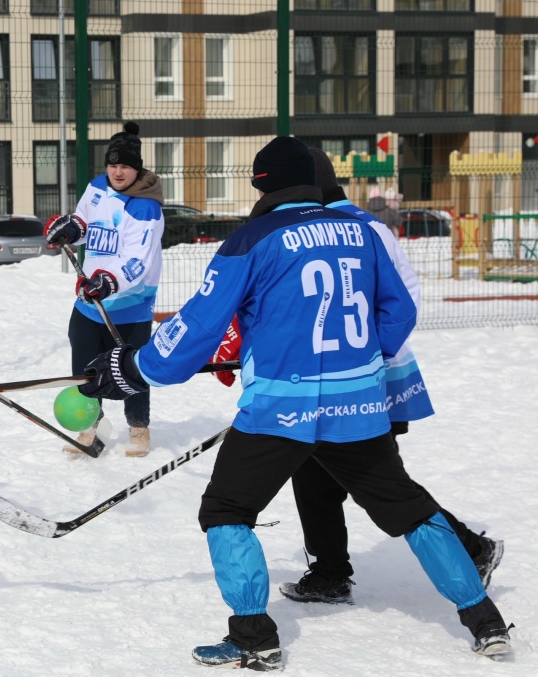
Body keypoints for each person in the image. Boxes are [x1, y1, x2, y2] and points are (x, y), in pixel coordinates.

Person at [76, 136, 512, 669]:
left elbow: (196, 328)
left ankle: (254, 636)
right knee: (411, 510)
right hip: (359, 403)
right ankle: (485, 622)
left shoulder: (252, 239)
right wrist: (356, 354)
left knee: (226, 510)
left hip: (281, 407)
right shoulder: (363, 230)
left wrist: (129, 367)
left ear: (261, 184)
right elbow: (398, 312)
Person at [275, 148, 504, 605]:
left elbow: (405, 297)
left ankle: (471, 549)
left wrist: (360, 354)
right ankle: (329, 571)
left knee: (378, 481)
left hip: (370, 380)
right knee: (311, 471)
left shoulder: (364, 227)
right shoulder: (306, 227)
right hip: (326, 380)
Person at [43, 121, 164, 457]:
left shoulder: (144, 208)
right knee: (85, 368)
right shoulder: (97, 187)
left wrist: (110, 281)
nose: (118, 172)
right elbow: (85, 222)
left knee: (130, 369)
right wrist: (71, 229)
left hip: (129, 304)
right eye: (113, 165)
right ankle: (90, 429)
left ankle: (139, 428)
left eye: (125, 166)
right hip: (89, 302)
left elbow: (136, 262)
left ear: (136, 169)